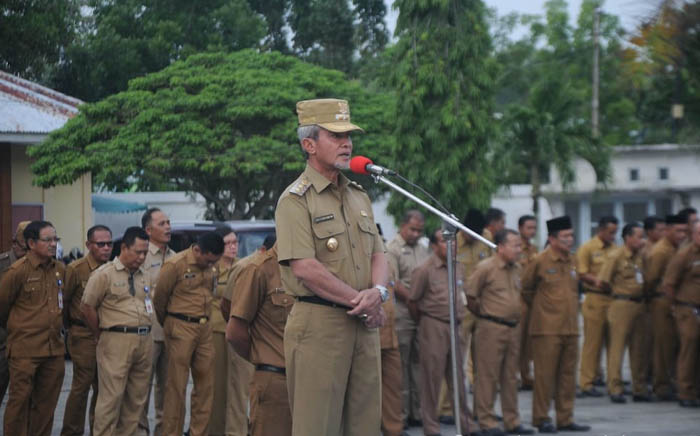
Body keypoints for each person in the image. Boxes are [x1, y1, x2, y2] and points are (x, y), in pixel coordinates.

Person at [275, 98, 389, 436]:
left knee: (366, 425)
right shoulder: (295, 200)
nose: (347, 143)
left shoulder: (359, 195)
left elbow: (379, 255)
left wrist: (379, 293)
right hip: (320, 325)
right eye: (336, 136)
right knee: (317, 427)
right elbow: (305, 268)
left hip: (364, 324)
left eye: (348, 136)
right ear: (309, 144)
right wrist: (363, 300)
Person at [81, 226, 154, 436]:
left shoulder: (144, 275)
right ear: (124, 247)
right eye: (138, 252)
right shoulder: (104, 274)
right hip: (116, 340)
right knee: (111, 399)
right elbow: (87, 307)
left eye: (145, 253)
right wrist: (98, 333)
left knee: (136, 400)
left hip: (143, 340)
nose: (142, 257)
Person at [522, 216, 590, 433]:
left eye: (571, 235)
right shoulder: (540, 260)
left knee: (568, 377)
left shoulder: (573, 260)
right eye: (565, 236)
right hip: (546, 329)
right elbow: (526, 289)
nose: (570, 240)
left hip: (570, 328)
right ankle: (541, 418)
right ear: (552, 238)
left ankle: (565, 418)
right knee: (544, 377)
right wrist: (545, 310)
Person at [153, 232, 224, 436]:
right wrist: (170, 324)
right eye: (208, 260)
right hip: (179, 325)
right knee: (176, 386)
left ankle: (198, 432)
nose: (211, 265)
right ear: (198, 250)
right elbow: (159, 299)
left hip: (204, 327)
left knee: (206, 385)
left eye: (215, 261)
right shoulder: (176, 264)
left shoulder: (212, 265)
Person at [0, 220, 65, 436]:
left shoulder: (61, 270)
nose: (53, 244)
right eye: (48, 240)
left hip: (53, 350)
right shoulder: (16, 272)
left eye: (55, 239)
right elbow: (2, 307)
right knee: (19, 405)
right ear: (31, 243)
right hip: (25, 351)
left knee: (46, 407)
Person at [467, 229, 534, 436]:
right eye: (515, 245)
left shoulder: (517, 269)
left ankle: (512, 420)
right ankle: (486, 421)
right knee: (487, 377)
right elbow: (470, 296)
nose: (519, 249)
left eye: (520, 245)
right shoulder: (485, 268)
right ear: (501, 247)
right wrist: (486, 315)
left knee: (510, 377)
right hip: (491, 328)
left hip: (513, 328)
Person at [227, 239, 294, 436]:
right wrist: (264, 356)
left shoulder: (316, 267)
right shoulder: (259, 269)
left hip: (314, 380)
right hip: (276, 380)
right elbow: (235, 332)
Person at [410, 229, 473, 436]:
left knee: (458, 378)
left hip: (456, 326)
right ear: (435, 246)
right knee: (431, 379)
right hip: (433, 325)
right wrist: (425, 323)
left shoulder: (458, 268)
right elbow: (413, 301)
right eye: (446, 243)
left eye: (454, 242)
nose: (452, 246)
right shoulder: (424, 269)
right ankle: (431, 428)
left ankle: (466, 426)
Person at [61, 225, 114, 436]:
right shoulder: (76, 269)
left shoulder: (113, 267)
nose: (106, 248)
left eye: (109, 243)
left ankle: (98, 430)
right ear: (88, 245)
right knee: (82, 386)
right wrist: (71, 328)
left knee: (103, 388)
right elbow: (64, 302)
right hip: (82, 333)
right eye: (100, 244)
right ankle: (72, 431)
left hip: (107, 333)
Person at [385, 209, 430, 428]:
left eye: (419, 231)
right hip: (403, 311)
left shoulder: (423, 249)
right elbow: (393, 282)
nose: (415, 234)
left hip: (422, 311)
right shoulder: (391, 249)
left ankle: (417, 412)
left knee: (418, 364)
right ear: (403, 226)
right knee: (400, 365)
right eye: (412, 229)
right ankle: (400, 416)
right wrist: (413, 301)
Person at [597, 223, 647, 403]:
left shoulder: (641, 256)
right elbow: (602, 281)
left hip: (639, 305)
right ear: (628, 238)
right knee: (617, 348)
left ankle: (639, 388)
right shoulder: (615, 256)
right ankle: (615, 388)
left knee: (639, 348)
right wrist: (618, 292)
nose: (642, 241)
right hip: (621, 304)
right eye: (639, 237)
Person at [209, 228, 252, 436]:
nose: (234, 246)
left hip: (240, 331)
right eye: (228, 243)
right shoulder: (211, 269)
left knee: (240, 386)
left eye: (236, 242)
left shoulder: (243, 267)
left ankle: (238, 431)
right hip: (216, 330)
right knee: (216, 386)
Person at [139, 207, 176, 436]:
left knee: (168, 389)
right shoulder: (141, 255)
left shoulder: (175, 257)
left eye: (168, 222)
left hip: (171, 332)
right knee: (141, 388)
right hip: (148, 332)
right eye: (162, 223)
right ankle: (141, 431)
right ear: (148, 229)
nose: (168, 227)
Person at [646, 214, 688, 400]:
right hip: (661, 301)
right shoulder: (661, 251)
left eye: (684, 231)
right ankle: (661, 386)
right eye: (678, 231)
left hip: (675, 301)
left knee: (675, 345)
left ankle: (673, 383)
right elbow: (650, 279)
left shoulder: (678, 248)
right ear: (668, 230)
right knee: (662, 346)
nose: (681, 234)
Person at [577, 215, 619, 396]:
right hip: (595, 298)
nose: (613, 236)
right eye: (610, 232)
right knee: (592, 344)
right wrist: (599, 281)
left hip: (613, 300)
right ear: (601, 230)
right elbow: (581, 272)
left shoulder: (616, 249)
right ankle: (586, 382)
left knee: (613, 343)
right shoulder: (587, 248)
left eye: (615, 232)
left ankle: (612, 381)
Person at [661, 220, 700, 407]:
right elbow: (668, 284)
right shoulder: (683, 255)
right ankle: (685, 392)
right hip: (687, 308)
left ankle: (695, 390)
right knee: (689, 350)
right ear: (694, 235)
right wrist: (676, 306)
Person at [0, 220, 30, 404]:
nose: (27, 254)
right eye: (23, 248)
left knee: (24, 397)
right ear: (14, 243)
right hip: (3, 339)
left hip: (28, 340)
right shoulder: (3, 264)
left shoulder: (44, 266)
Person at [517, 215, 538, 390]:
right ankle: (513, 375)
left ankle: (525, 375)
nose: (532, 231)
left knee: (528, 342)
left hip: (531, 301)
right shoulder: (514, 248)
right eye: (529, 227)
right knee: (516, 340)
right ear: (520, 228)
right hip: (517, 299)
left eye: (534, 228)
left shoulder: (534, 249)